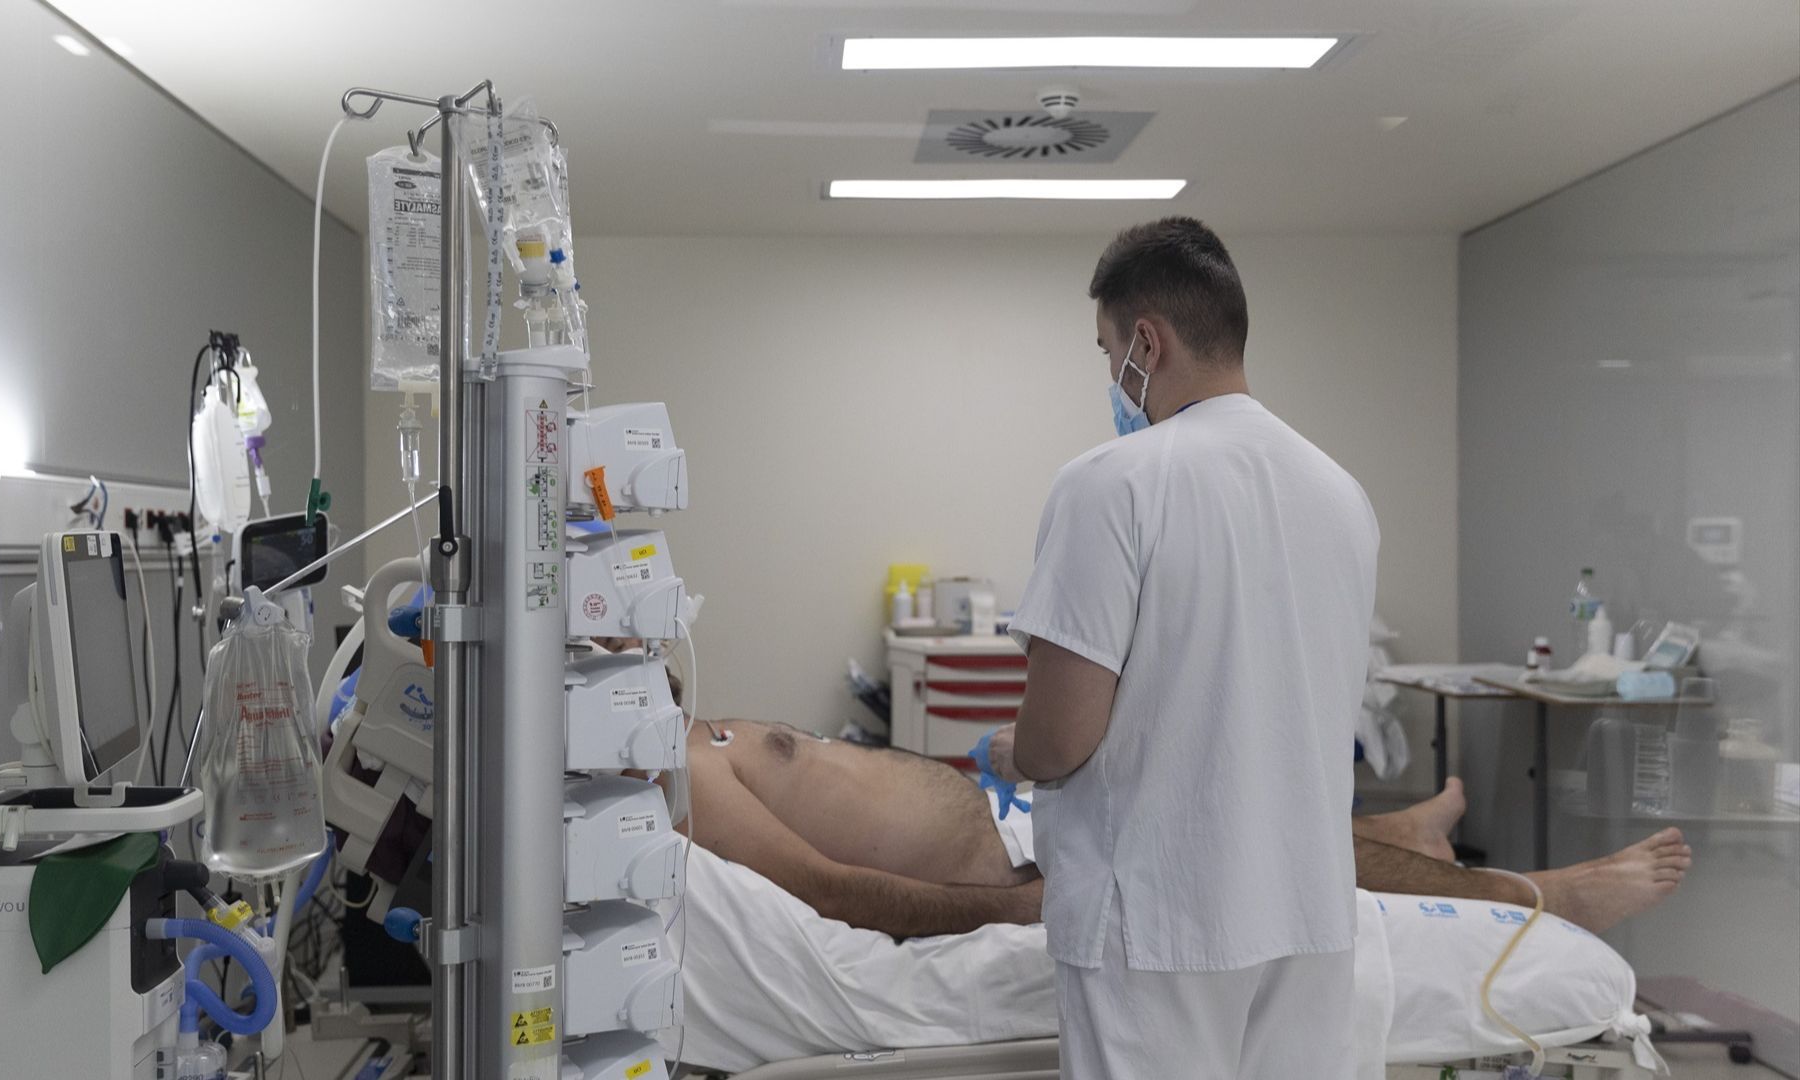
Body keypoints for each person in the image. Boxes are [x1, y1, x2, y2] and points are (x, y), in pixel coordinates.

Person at [972, 217, 1381, 1078]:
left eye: (1105, 350)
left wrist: (1012, 752)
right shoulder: (1342, 494)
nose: (1109, 377)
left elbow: (1058, 740)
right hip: (1306, 910)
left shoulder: (1110, 484)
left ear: (1145, 343)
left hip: (1157, 921)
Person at [671, 718, 1692, 940]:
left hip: (1020, 822)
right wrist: (1018, 905)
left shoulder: (678, 725)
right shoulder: (675, 767)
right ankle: (1544, 895)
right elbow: (830, 892)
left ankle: (1401, 834)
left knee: (1237, 794)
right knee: (1259, 838)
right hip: (1023, 861)